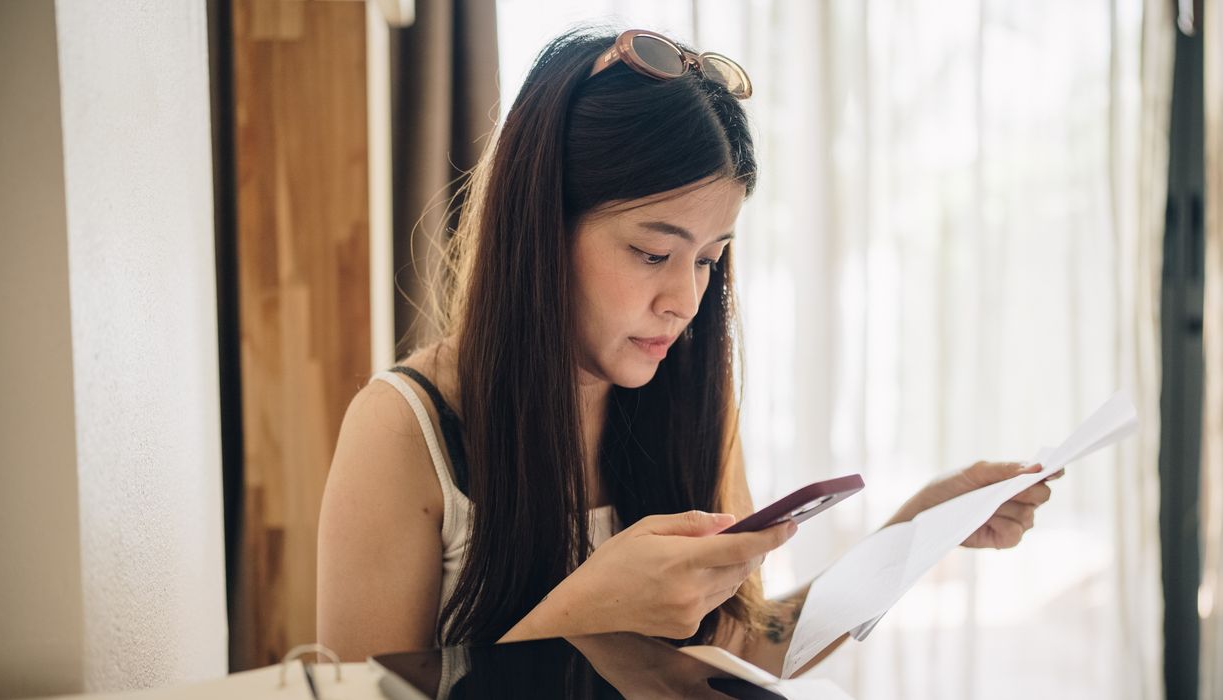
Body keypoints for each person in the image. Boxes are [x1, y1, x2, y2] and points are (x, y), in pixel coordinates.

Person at [316, 27, 1056, 675]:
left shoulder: (678, 393)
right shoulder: (403, 430)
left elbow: (740, 651)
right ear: (539, 230)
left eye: (708, 258)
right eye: (649, 252)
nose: (685, 300)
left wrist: (915, 529)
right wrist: (584, 611)